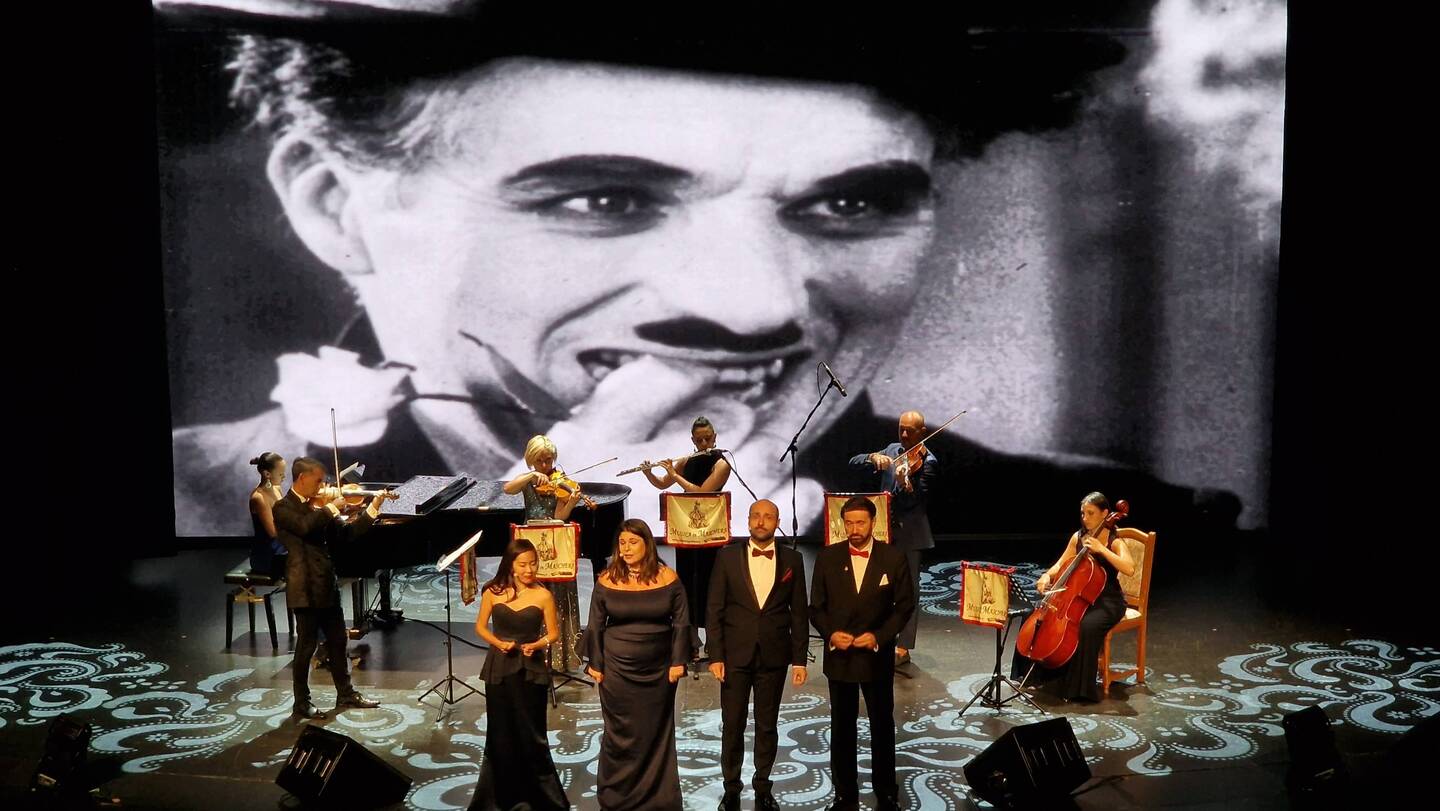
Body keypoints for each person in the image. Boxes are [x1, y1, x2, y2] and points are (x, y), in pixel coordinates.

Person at [157, 2, 1235, 547]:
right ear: (335, 206)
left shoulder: (1111, 540)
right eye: (605, 200)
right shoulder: (157, 528)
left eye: (849, 204)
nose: (754, 305)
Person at [809, 496, 915, 811]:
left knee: (882, 725)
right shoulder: (827, 557)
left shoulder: (893, 557)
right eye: (849, 523)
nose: (854, 529)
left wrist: (879, 637)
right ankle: (845, 794)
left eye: (861, 523)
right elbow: (816, 607)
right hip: (840, 657)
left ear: (873, 523)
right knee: (842, 727)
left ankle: (886, 792)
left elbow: (904, 606)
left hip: (876, 657)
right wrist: (831, 634)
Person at [706, 499, 807, 811]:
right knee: (732, 724)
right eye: (756, 516)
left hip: (774, 655)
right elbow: (714, 608)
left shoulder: (793, 559)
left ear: (777, 522)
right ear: (748, 520)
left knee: (767, 725)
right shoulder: (726, 556)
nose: (761, 522)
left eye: (768, 517)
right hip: (734, 655)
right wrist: (715, 655)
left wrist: (799, 659)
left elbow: (799, 612)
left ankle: (763, 787)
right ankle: (731, 788)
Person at [583, 519, 691, 810]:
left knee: (655, 731)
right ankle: (616, 795)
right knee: (620, 733)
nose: (626, 549)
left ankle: (659, 797)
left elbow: (682, 622)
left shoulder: (668, 578)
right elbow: (595, 624)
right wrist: (596, 663)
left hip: (659, 670)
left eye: (633, 542)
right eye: (622, 543)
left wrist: (678, 661)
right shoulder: (607, 579)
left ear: (647, 544)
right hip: (617, 670)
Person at [272, 456, 383, 720]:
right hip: (305, 586)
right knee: (306, 646)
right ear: (302, 478)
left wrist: (372, 509)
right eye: (319, 481)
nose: (323, 487)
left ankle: (345, 693)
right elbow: (303, 527)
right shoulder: (283, 507)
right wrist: (331, 507)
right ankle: (301, 702)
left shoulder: (320, 508)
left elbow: (347, 534)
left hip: (326, 584)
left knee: (338, 640)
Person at [469, 538, 567, 811]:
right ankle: (499, 798)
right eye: (523, 564)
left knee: (532, 733)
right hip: (499, 668)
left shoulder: (543, 595)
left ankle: (541, 797)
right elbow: (480, 627)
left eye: (533, 564)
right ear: (511, 565)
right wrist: (499, 643)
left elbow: (554, 633)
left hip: (531, 670)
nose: (529, 569)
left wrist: (537, 644)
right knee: (500, 733)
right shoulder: (493, 591)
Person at [1011, 491, 1135, 703]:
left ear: (1105, 513)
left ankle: (1078, 689)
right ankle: (1033, 675)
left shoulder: (1114, 541)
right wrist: (1047, 575)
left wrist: (1102, 550)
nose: (1085, 518)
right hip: (1078, 596)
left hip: (1107, 601)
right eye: (1083, 513)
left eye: (1091, 513)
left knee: (1087, 627)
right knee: (1033, 614)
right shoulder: (1078, 537)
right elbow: (1061, 564)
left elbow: (1129, 568)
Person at [849, 410, 936, 665]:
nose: (905, 434)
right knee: (879, 588)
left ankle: (903, 647)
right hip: (884, 532)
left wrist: (904, 483)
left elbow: (914, 502)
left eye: (910, 430)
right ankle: (878, 636)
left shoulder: (928, 462)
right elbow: (853, 461)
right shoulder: (891, 450)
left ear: (922, 432)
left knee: (909, 591)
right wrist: (872, 457)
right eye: (901, 429)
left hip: (910, 534)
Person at [641, 416, 732, 638]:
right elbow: (662, 484)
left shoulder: (722, 464)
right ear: (693, 440)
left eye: (707, 439)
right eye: (699, 440)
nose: (704, 444)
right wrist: (649, 472)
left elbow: (702, 492)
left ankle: (714, 638)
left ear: (715, 437)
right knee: (687, 580)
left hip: (710, 530)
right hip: (686, 529)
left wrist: (675, 475)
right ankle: (690, 640)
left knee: (710, 581)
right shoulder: (686, 460)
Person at [503, 434, 584, 674]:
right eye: (540, 461)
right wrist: (530, 475)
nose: (546, 465)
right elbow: (507, 489)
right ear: (531, 460)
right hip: (531, 545)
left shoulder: (560, 481)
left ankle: (560, 659)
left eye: (549, 460)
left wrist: (571, 502)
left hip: (555, 545)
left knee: (557, 597)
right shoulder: (528, 480)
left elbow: (560, 516)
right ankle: (531, 654)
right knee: (532, 596)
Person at [247, 451, 287, 577]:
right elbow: (273, 532)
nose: (284, 477)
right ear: (267, 474)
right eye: (280, 474)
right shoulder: (259, 498)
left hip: (281, 547)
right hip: (267, 555)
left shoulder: (277, 489)